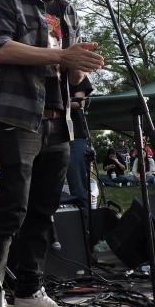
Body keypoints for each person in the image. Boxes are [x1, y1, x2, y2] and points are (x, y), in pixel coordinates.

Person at [0, 0, 104, 307]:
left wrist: (82, 65)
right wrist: (61, 55)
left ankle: (30, 290)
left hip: (59, 120)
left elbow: (72, 74)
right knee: (11, 207)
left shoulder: (67, 10)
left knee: (43, 209)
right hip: (19, 117)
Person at [65, 77, 94, 214]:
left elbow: (79, 102)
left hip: (73, 132)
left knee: (78, 188)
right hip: (44, 131)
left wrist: (52, 102)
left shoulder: (75, 71)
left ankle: (85, 228)